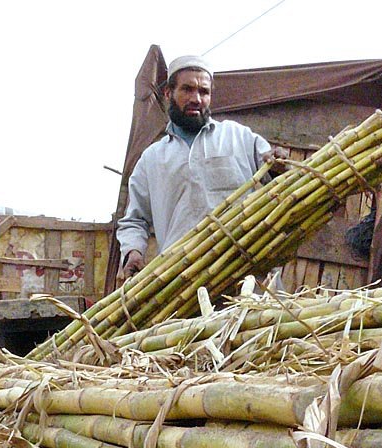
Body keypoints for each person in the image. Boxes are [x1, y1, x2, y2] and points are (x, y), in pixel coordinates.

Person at [116, 54, 283, 281]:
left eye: (204, 92)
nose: (196, 98)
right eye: (187, 89)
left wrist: (280, 167)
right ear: (168, 94)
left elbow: (277, 181)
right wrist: (133, 251)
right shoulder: (152, 159)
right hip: (183, 281)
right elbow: (134, 220)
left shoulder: (239, 137)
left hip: (249, 274)